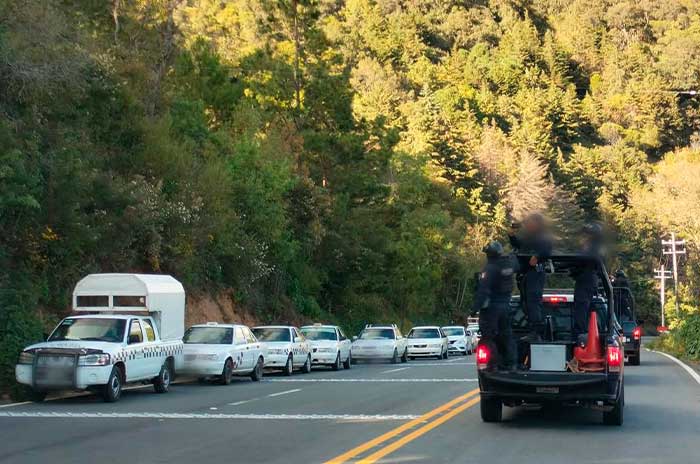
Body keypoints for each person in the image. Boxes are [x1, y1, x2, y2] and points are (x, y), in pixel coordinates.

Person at [473, 241, 519, 370]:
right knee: (507, 335)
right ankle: (512, 364)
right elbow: (517, 265)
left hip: (492, 307)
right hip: (506, 305)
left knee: (488, 337)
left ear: (489, 254)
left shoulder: (490, 268)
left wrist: (475, 308)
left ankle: (493, 365)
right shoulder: (508, 264)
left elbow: (483, 290)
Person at [509, 213, 552, 340]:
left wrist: (538, 257)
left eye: (530, 223)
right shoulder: (530, 237)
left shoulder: (543, 236)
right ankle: (532, 329)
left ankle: (536, 331)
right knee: (526, 302)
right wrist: (511, 236)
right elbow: (520, 245)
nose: (528, 225)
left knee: (533, 301)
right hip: (526, 273)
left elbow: (547, 249)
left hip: (536, 272)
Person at [571, 223, 604, 337]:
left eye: (587, 234)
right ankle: (580, 329)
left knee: (582, 304)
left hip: (587, 278)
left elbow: (583, 260)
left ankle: (580, 331)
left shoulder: (593, 249)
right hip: (586, 278)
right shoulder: (592, 248)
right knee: (582, 304)